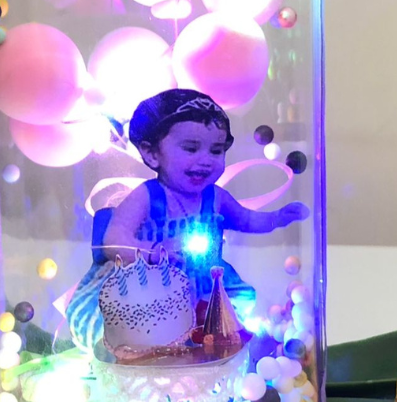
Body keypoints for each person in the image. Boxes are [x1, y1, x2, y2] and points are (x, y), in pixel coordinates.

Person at [67, 89, 308, 352]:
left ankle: (206, 339)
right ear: (152, 154)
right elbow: (114, 239)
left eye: (216, 150)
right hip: (150, 286)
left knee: (236, 305)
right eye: (191, 148)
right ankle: (151, 351)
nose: (205, 160)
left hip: (204, 280)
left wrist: (278, 219)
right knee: (140, 326)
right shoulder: (147, 197)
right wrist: (150, 253)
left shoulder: (215, 197)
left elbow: (247, 220)